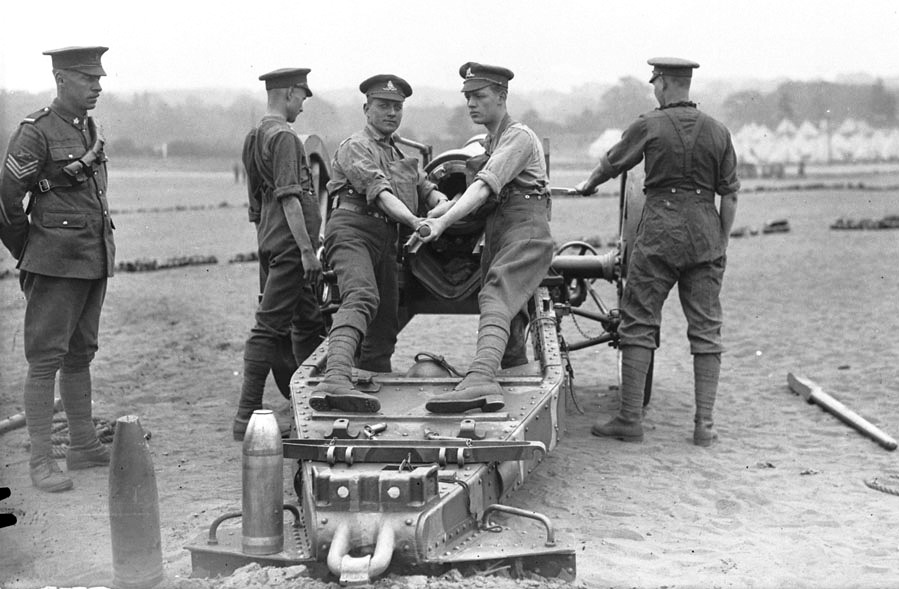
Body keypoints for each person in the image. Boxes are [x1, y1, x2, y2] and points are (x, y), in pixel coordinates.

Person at [575, 57, 740, 446]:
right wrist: (721, 240)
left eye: (655, 83)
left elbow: (612, 163)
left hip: (659, 235)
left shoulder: (649, 125)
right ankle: (704, 426)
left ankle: (630, 420)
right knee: (706, 330)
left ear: (663, 83)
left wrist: (588, 184)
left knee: (638, 322)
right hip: (705, 234)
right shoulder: (719, 131)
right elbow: (730, 194)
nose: (654, 89)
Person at [0, 47, 114, 492]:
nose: (98, 86)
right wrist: (30, 251)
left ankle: (83, 445)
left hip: (91, 257)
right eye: (88, 79)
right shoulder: (35, 132)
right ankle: (41, 461)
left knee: (80, 354)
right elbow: (7, 202)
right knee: (46, 359)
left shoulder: (89, 128)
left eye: (99, 79)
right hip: (54, 262)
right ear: (61, 80)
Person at [417, 62, 554, 414]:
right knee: (508, 315)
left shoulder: (518, 137)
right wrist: (434, 213)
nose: (471, 104)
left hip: (524, 229)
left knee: (496, 293)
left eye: (479, 96)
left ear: (502, 96)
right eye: (467, 97)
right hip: (500, 231)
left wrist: (443, 223)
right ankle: (509, 389)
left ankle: (480, 379)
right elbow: (474, 198)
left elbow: (482, 188)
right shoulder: (494, 141)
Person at [309, 74, 450, 413]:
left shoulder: (399, 154)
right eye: (384, 105)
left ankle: (372, 386)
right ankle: (335, 380)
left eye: (397, 107)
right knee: (361, 296)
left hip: (385, 240)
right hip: (352, 230)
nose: (391, 113)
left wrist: (446, 206)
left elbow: (428, 190)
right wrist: (416, 222)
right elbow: (382, 194)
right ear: (366, 109)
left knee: (385, 320)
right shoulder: (356, 147)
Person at [233, 68, 326, 440]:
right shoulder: (285, 137)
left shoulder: (255, 135)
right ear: (288, 94)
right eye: (301, 98)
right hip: (291, 247)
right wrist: (306, 251)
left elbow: (256, 205)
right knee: (269, 326)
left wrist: (268, 244)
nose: (302, 107)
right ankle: (245, 416)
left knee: (308, 320)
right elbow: (290, 197)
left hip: (271, 241)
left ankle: (313, 401)